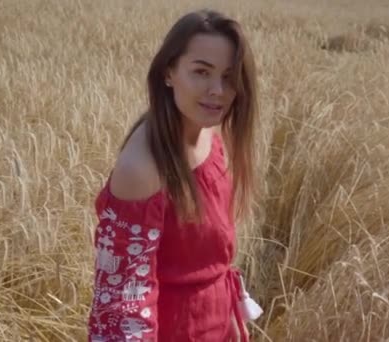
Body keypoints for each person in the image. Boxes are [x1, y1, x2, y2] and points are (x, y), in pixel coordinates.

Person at [87, 9, 263, 342]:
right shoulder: (142, 169)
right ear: (169, 72)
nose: (218, 90)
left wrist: (231, 319)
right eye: (201, 72)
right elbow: (123, 305)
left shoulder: (210, 134)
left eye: (229, 76)